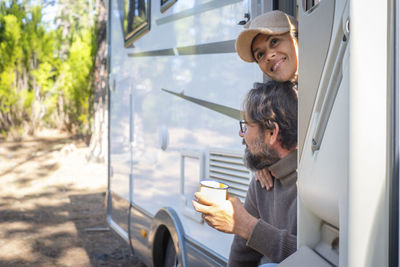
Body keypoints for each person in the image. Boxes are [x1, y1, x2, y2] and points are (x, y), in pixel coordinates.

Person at [193, 81, 298, 266]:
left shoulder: (311, 184)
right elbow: (241, 254)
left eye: (246, 126)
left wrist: (245, 225)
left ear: (272, 133)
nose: (242, 135)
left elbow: (314, 258)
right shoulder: (262, 181)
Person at [235, 10, 298, 190]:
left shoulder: (327, 80)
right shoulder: (279, 93)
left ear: (296, 38)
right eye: (260, 55)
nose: (269, 55)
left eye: (275, 41)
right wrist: (264, 159)